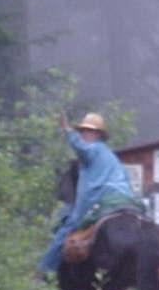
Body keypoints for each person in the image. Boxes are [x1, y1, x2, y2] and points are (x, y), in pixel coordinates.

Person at [38, 112, 133, 273]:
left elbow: (81, 148)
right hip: (125, 199)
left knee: (66, 228)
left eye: (89, 131)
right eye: (82, 131)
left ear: (98, 134)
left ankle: (45, 270)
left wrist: (67, 130)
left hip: (99, 199)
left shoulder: (92, 149)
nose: (84, 134)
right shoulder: (111, 156)